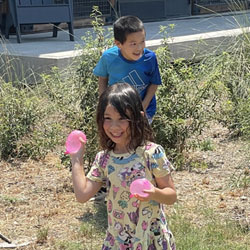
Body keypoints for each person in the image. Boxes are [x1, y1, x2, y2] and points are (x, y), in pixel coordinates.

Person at [70, 83, 176, 249]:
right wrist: (77, 158)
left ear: (138, 118)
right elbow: (82, 195)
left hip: (149, 240)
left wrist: (154, 193)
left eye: (122, 119)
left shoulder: (151, 153)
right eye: (108, 118)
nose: (114, 126)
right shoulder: (104, 159)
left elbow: (171, 196)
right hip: (119, 241)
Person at [93, 15, 162, 123]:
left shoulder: (150, 58)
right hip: (117, 112)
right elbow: (102, 79)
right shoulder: (108, 57)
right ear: (118, 44)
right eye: (133, 44)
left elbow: (154, 83)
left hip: (144, 112)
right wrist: (104, 104)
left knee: (139, 138)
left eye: (142, 42)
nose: (139, 48)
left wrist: (143, 106)